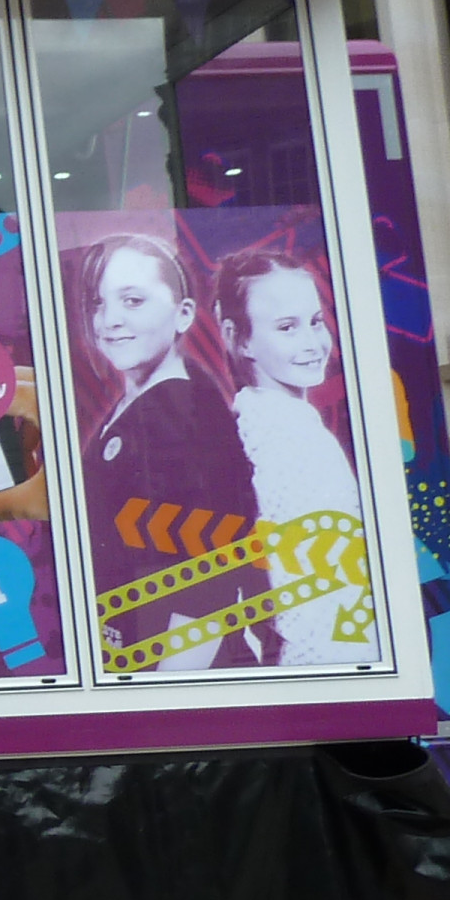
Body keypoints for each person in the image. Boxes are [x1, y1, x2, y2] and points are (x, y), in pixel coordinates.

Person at [73, 232, 265, 670]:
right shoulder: (150, 403)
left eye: (133, 301)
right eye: (99, 304)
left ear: (182, 315)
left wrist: (165, 695)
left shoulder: (178, 414)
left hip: (172, 668)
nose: (110, 320)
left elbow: (206, 579)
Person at [215, 245, 373, 665]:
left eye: (316, 322)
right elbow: (314, 595)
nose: (312, 342)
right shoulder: (284, 436)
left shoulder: (273, 423)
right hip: (328, 665)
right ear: (239, 338)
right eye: (286, 327)